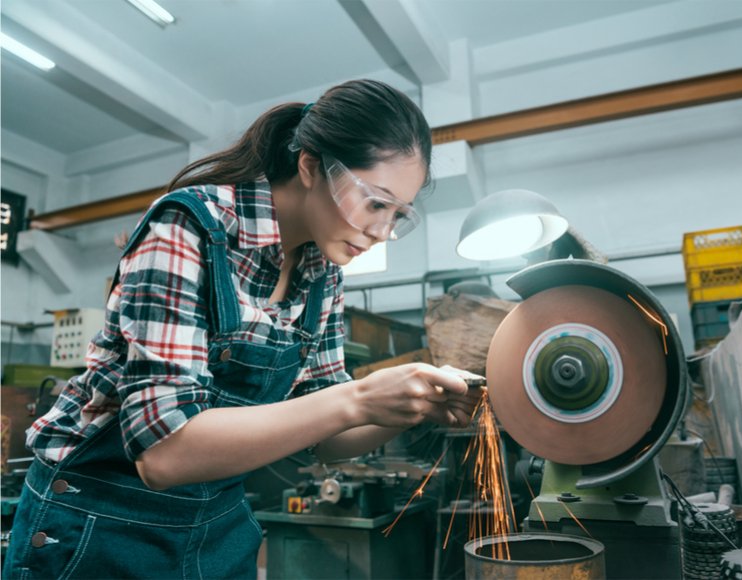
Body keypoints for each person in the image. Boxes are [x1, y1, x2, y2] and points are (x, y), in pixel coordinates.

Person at [3, 79, 481, 579]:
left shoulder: (323, 272)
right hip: (99, 524)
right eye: (376, 203)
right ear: (311, 165)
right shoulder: (190, 227)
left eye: (399, 215)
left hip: (216, 524)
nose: (382, 232)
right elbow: (163, 455)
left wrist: (413, 407)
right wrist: (357, 398)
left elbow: (326, 436)